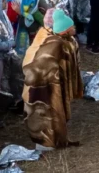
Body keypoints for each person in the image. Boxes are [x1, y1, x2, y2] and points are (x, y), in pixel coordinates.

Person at [21, 9, 82, 150]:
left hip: (48, 83)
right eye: (72, 27)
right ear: (65, 30)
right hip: (42, 85)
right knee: (44, 112)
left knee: (51, 110)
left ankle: (54, 139)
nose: (74, 28)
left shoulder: (57, 39)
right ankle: (46, 143)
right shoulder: (55, 44)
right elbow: (39, 63)